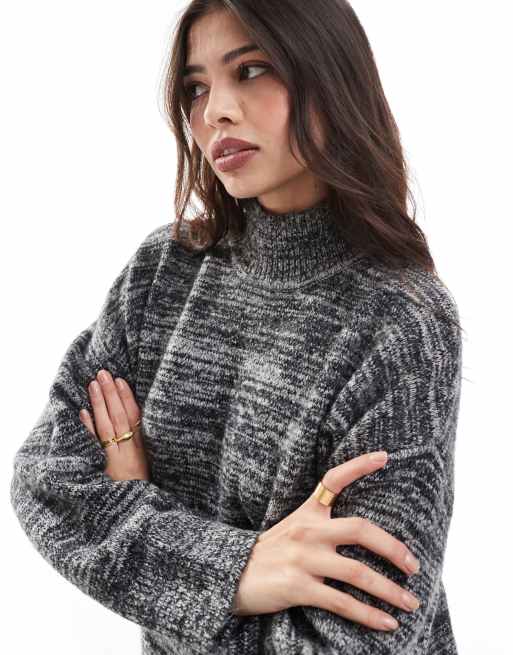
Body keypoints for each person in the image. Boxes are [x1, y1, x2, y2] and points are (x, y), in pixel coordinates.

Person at [10, 1, 463, 653]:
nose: (215, 111)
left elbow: (362, 639)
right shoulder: (163, 272)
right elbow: (46, 482)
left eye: (251, 70)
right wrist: (241, 571)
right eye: (196, 87)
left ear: (329, 73)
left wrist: (138, 517)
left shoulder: (400, 318)